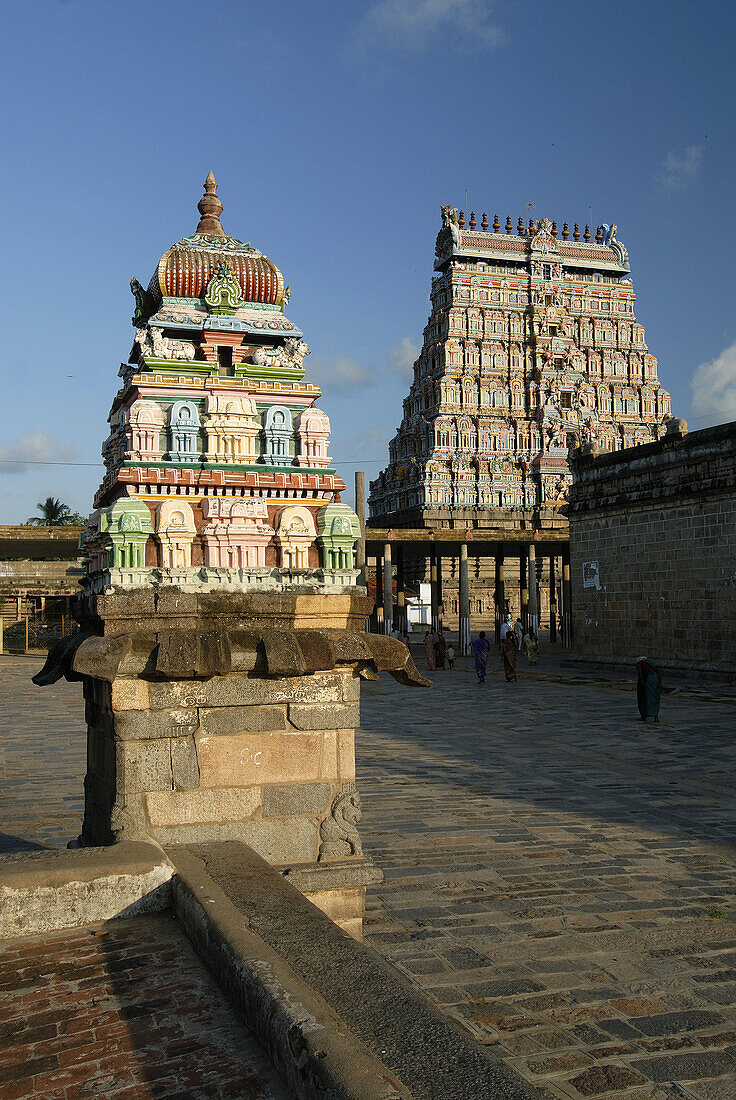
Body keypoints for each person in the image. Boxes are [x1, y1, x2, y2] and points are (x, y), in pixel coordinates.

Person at [636, 656, 661, 723]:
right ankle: (655, 716)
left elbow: (640, 674)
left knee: (645, 698)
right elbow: (657, 671)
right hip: (655, 679)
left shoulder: (640, 664)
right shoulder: (651, 663)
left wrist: (642, 684)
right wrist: (660, 682)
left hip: (648, 680)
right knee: (655, 698)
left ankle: (643, 716)